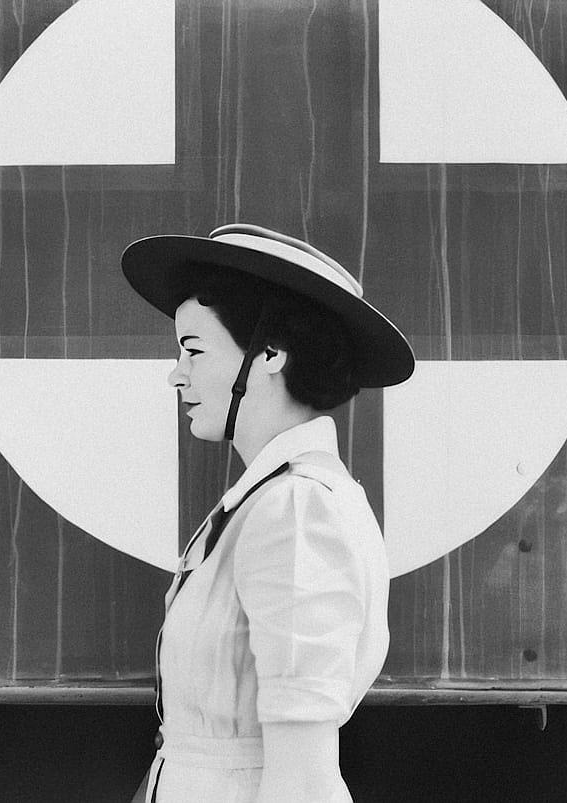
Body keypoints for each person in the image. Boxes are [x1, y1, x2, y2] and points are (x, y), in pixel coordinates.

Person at [121, 224, 414, 802]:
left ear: (272, 353)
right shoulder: (267, 504)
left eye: (195, 349)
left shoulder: (298, 513)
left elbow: (303, 776)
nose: (177, 374)